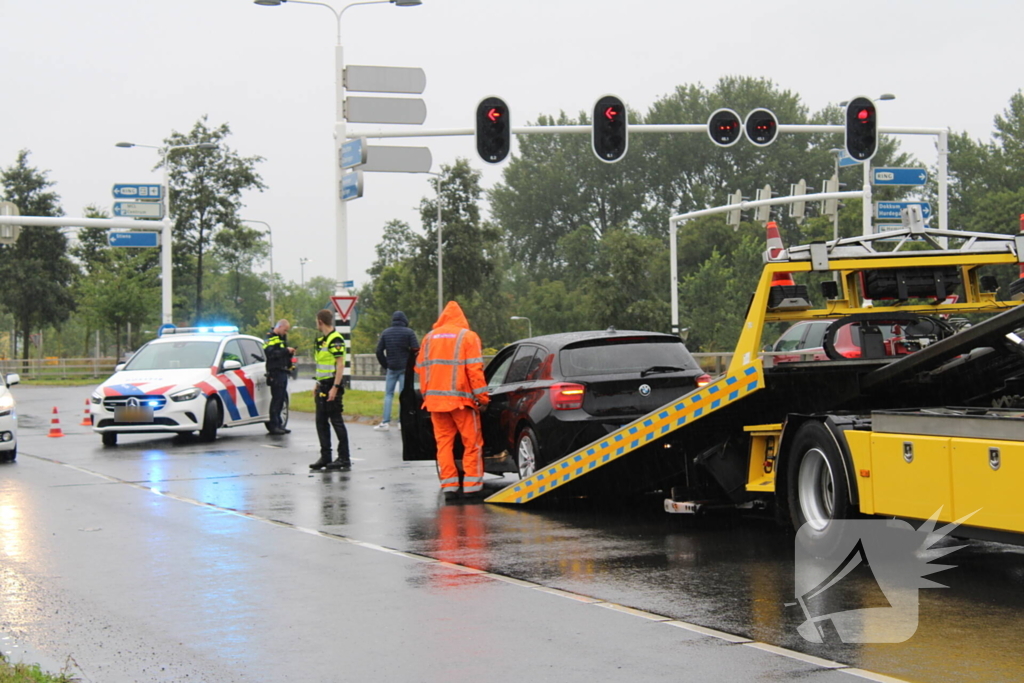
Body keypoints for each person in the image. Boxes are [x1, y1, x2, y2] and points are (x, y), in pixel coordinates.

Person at [415, 301, 490, 500]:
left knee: (444, 444)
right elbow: (474, 370)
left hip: (435, 402)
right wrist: (482, 398)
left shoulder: (429, 338)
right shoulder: (468, 337)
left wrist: (426, 395)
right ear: (461, 318)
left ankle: (449, 486)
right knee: (471, 443)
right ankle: (472, 486)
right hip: (461, 401)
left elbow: (422, 370)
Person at [309, 309, 352, 471]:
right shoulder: (322, 341)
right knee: (321, 422)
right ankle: (325, 456)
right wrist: (317, 384)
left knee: (336, 421)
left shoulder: (335, 339)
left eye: (316, 321)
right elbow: (321, 366)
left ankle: (344, 457)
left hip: (332, 386)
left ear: (320, 321)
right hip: (322, 385)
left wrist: (335, 387)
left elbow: (340, 364)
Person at [374, 311, 419, 431]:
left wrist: (386, 364)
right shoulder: (409, 332)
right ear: (404, 320)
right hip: (405, 368)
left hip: (391, 368)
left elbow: (379, 351)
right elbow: (416, 349)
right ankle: (402, 422)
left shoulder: (386, 333)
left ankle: (385, 422)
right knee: (404, 395)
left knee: (388, 394)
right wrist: (411, 364)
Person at [263, 318, 294, 435]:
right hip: (275, 372)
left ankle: (279, 424)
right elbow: (271, 354)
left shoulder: (280, 338)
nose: (285, 333)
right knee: (276, 399)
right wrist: (286, 351)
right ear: (280, 327)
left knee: (281, 399)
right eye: (285, 330)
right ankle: (274, 425)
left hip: (282, 371)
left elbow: (281, 353)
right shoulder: (270, 337)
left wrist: (289, 354)